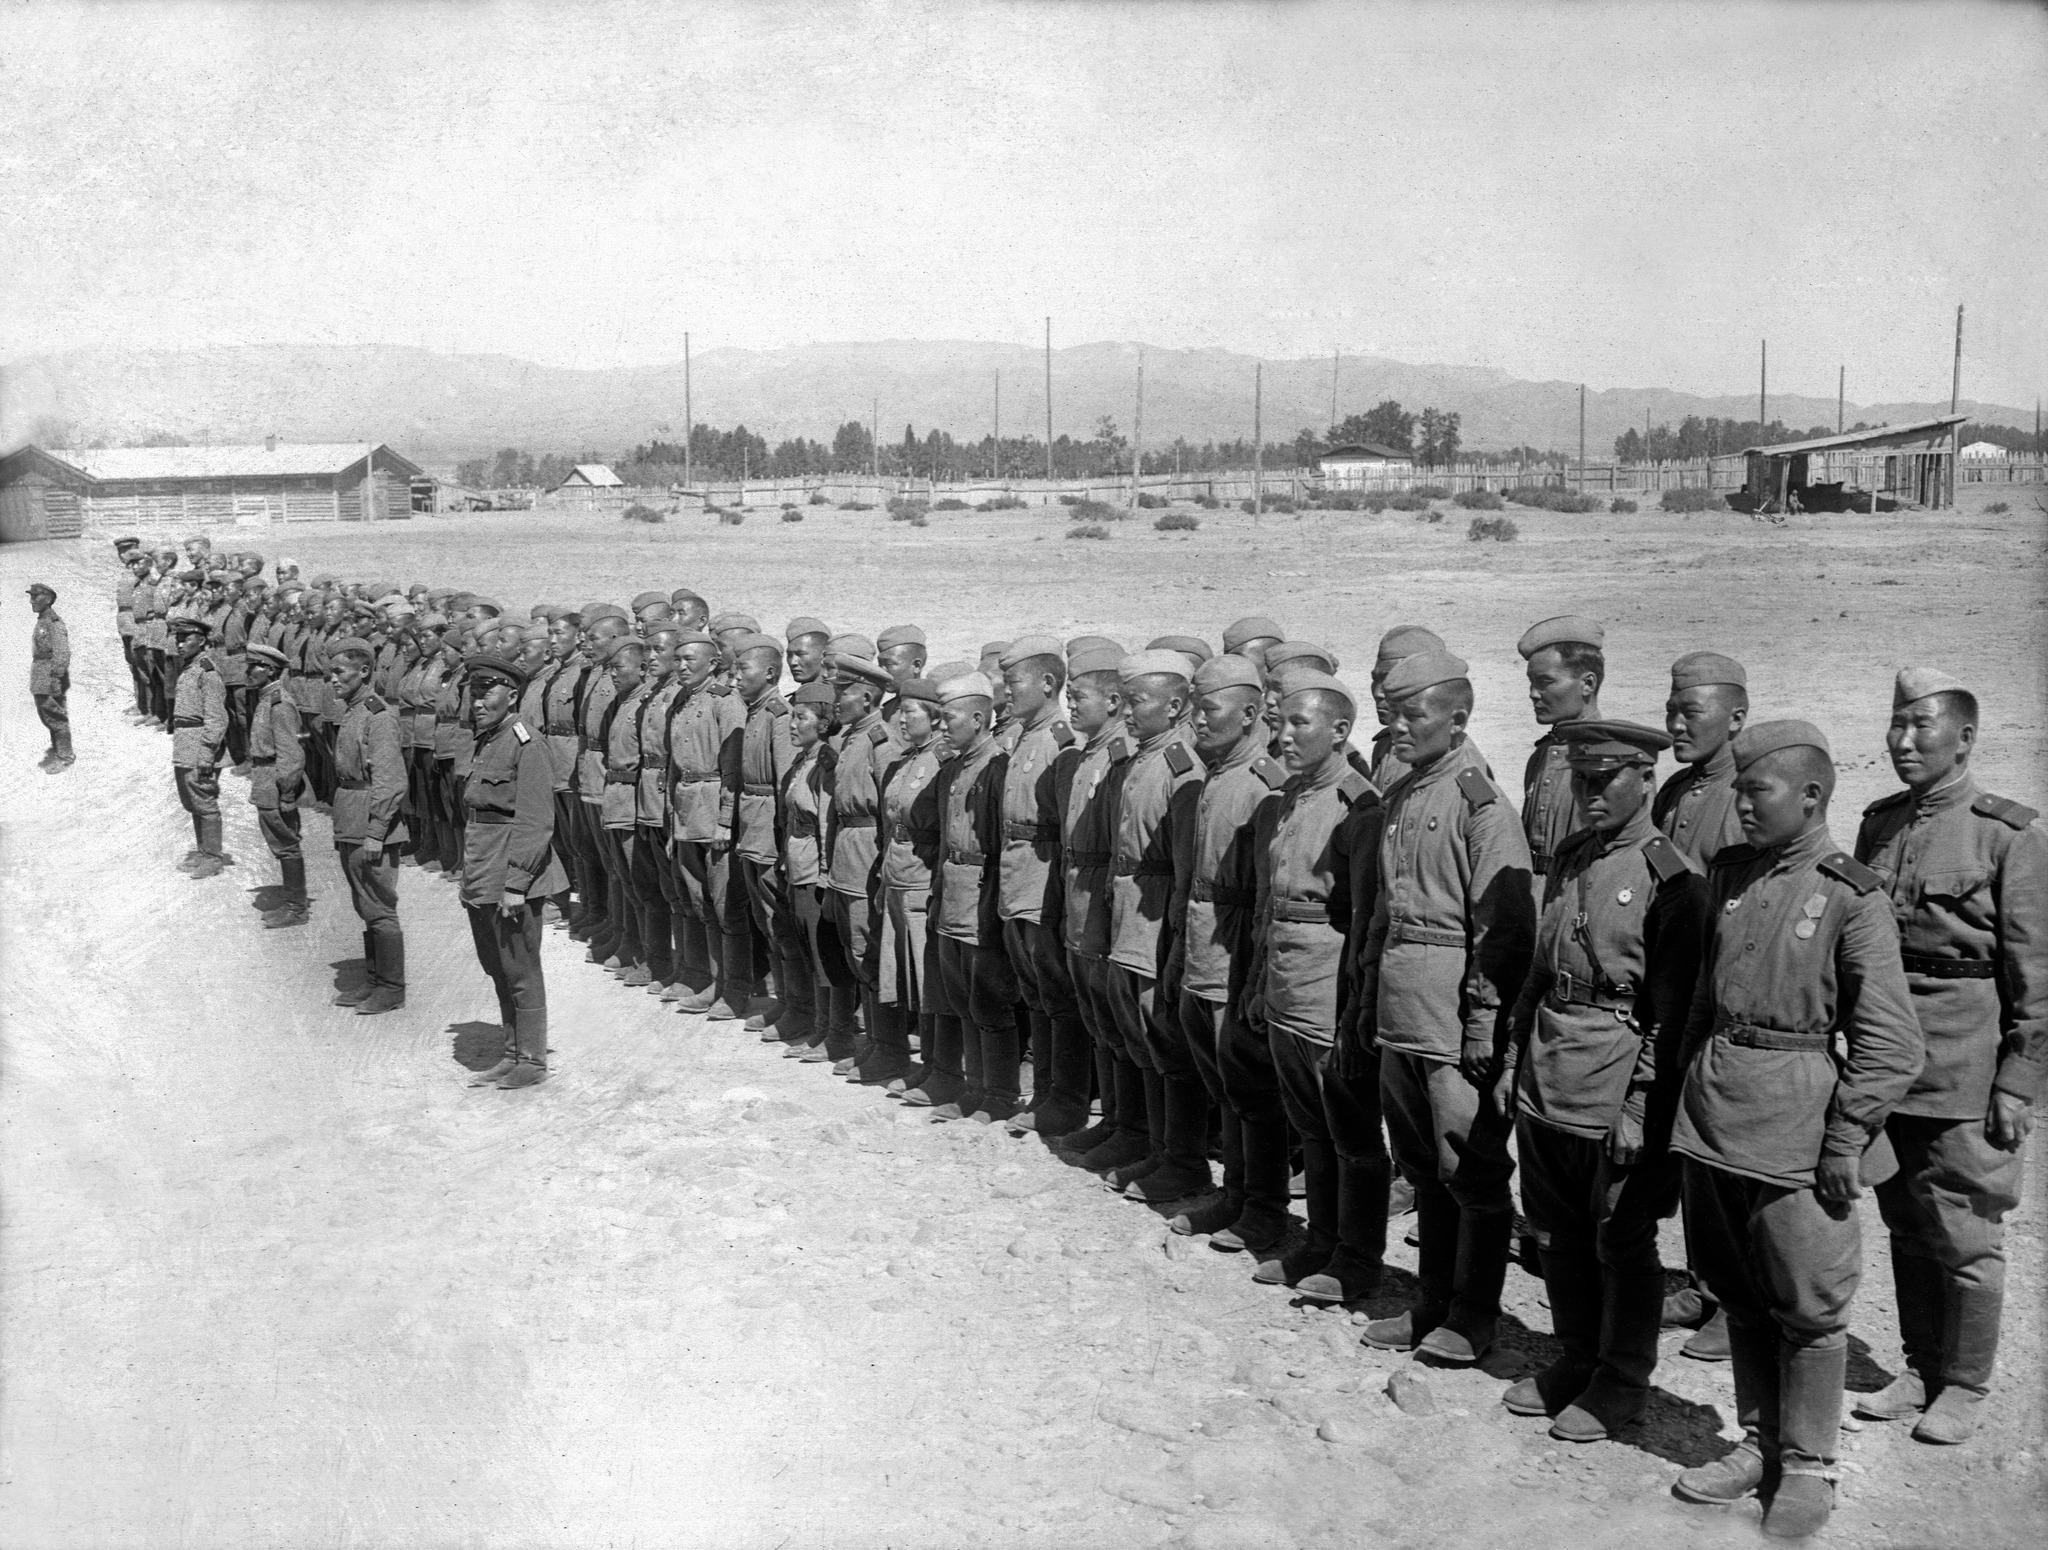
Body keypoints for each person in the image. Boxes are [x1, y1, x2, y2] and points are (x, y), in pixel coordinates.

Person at [1667, 720, 1921, 1539]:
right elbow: (1706, 998)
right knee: (1737, 1291)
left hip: (1798, 1124)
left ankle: (1809, 1467)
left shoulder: (1852, 894)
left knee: (1810, 1308)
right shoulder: (1732, 873)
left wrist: (1845, 1140)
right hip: (1716, 1115)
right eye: (1736, 789)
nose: (1739, 804)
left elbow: (1891, 1043)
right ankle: (1758, 1443)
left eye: (1756, 791)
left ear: (1811, 796)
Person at [1852, 670, 2046, 1445]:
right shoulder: (1880, 824)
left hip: (1968, 1064)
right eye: (1896, 725)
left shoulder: (2010, 836)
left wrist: (2018, 1082)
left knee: (1966, 1235)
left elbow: (2037, 976)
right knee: (1905, 1223)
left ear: (1964, 737)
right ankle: (1921, 1366)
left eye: (1921, 728)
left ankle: (1964, 1384)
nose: (1902, 742)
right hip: (1892, 1058)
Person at [1503, 719, 1708, 1442]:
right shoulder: (1569, 859)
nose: (1588, 793)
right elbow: (1538, 969)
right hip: (1550, 1070)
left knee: (1621, 1240)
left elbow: (1672, 1014)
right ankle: (1577, 1356)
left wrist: (1640, 1105)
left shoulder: (1672, 880)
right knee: (1556, 1232)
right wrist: (1513, 1061)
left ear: (1644, 780)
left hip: (1615, 1081)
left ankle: (1622, 1378)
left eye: (1604, 780)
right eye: (1580, 780)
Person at [1356, 646, 1535, 1363]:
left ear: (1457, 717)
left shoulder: (1479, 805)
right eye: (1393, 713)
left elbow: (1505, 928)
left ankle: (1475, 1316)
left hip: (1452, 1020)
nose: (1398, 726)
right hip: (1402, 1008)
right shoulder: (1404, 794)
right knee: (1424, 1165)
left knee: (1473, 1170)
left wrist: (1485, 1020)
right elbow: (1385, 912)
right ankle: (1431, 1301)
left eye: (1415, 713)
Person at [1243, 669, 1387, 1297]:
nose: (1285, 736)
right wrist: (1256, 982)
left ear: (1340, 730)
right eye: (1280, 723)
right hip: (1284, 983)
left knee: (1351, 1130)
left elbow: (1364, 923)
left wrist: (1357, 1009)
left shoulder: (1359, 807)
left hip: (1328, 989)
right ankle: (1319, 1242)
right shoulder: (1287, 801)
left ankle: (1357, 1257)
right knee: (1309, 1125)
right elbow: (1265, 906)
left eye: (1299, 723)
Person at [1654, 649, 1752, 1358]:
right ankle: (1704, 1279)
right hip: (1674, 986)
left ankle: (1738, 1301)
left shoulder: (1750, 796)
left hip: (1723, 993)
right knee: (1687, 1146)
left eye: (1692, 713)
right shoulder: (1674, 792)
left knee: (1728, 1152)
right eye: (1672, 711)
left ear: (1736, 719)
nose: (1676, 725)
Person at [1090, 650, 1207, 1191]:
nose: (1129, 713)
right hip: (1128, 912)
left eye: (1138, 702)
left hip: (1155, 919)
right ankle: (1148, 1143)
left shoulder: (1181, 767)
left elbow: (1186, 866)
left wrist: (1175, 940)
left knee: (1165, 1041)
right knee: (1138, 1034)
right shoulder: (1142, 758)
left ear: (1176, 704)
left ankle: (1182, 1163)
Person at [458, 651, 569, 1090]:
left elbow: (536, 820)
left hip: (510, 874)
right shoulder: (488, 739)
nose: (479, 701)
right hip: (482, 869)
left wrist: (517, 883)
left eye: (489, 692)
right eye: (475, 692)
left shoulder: (528, 743)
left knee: (521, 969)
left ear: (513, 694)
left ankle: (533, 1060)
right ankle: (511, 1052)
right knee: (497, 966)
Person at [994, 636, 1089, 1136]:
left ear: (1049, 684)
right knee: (1035, 993)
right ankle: (1046, 1092)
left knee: (1057, 994)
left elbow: (1065, 826)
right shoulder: (1027, 737)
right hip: (1018, 879)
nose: (1006, 693)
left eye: (1015, 683)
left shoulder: (1059, 741)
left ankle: (1067, 1100)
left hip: (1043, 882)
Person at [925, 670, 1023, 1121]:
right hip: (953, 895)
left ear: (980, 718)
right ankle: (975, 1086)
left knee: (989, 999)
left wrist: (994, 910)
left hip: (982, 898)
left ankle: (1000, 1095)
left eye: (949, 718)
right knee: (962, 996)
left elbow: (1002, 849)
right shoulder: (954, 769)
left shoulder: (998, 768)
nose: (942, 727)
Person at [1053, 645, 1133, 1155]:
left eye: (1078, 696)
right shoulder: (1087, 753)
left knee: (1118, 1021)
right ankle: (1116, 1122)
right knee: (1098, 1019)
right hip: (1079, 899)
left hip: (1104, 903)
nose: (1071, 705)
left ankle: (1133, 1129)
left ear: (1112, 700)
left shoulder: (1119, 756)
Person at [730, 632, 811, 1043]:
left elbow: (786, 787)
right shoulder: (755, 711)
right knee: (766, 920)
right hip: (753, 826)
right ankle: (785, 1000)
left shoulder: (779, 716)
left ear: (769, 672)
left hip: (769, 832)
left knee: (780, 922)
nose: (735, 676)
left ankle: (800, 1007)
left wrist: (782, 845)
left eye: (742, 669)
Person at [327, 636, 410, 1015]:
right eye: (330, 672)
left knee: (379, 905)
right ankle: (375, 980)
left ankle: (392, 987)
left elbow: (391, 781)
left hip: (369, 823)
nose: (333, 680)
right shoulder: (354, 710)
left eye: (339, 672)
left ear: (364, 672)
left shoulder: (378, 716)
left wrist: (376, 832)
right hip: (351, 816)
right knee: (365, 903)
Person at [782, 679, 859, 1063]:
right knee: (813, 952)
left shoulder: (827, 762)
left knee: (828, 955)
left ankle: (839, 1035)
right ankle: (822, 1027)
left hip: (816, 869)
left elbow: (830, 822)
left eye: (802, 717)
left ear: (823, 722)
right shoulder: (804, 759)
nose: (793, 724)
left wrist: (827, 876)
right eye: (793, 717)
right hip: (799, 864)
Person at [874, 675, 944, 1078]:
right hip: (898, 874)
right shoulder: (907, 759)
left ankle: (938, 1066)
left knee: (927, 978)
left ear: (934, 718)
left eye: (910, 712)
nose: (901, 719)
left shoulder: (939, 761)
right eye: (899, 711)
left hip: (922, 879)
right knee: (905, 974)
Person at [1518, 615, 1606, 882]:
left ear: (1587, 684)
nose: (1533, 693)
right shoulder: (1542, 754)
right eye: (1531, 683)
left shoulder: (1612, 756)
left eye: (1545, 682)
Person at [244, 643, 309, 928]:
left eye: (253, 666)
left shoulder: (279, 704)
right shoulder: (265, 698)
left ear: (269, 669)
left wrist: (286, 792)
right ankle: (293, 905)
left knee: (286, 844)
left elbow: (291, 755)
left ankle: (296, 909)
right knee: (281, 843)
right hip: (265, 778)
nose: (248, 671)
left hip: (275, 780)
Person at [168, 616, 231, 875]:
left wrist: (207, 752)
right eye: (178, 639)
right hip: (185, 742)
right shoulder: (189, 668)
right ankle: (203, 850)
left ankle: (213, 857)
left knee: (204, 800)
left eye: (186, 639)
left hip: (199, 743)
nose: (180, 644)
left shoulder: (208, 672)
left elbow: (216, 717)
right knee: (192, 801)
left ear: (202, 641)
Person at [27, 583, 72, 772]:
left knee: (54, 714)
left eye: (36, 597)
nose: (31, 601)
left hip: (49, 675)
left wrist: (56, 676)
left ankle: (65, 756)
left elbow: (62, 652)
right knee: (47, 713)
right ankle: (58, 748)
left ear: (48, 598)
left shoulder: (54, 623)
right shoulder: (42, 620)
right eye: (31, 597)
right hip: (41, 673)